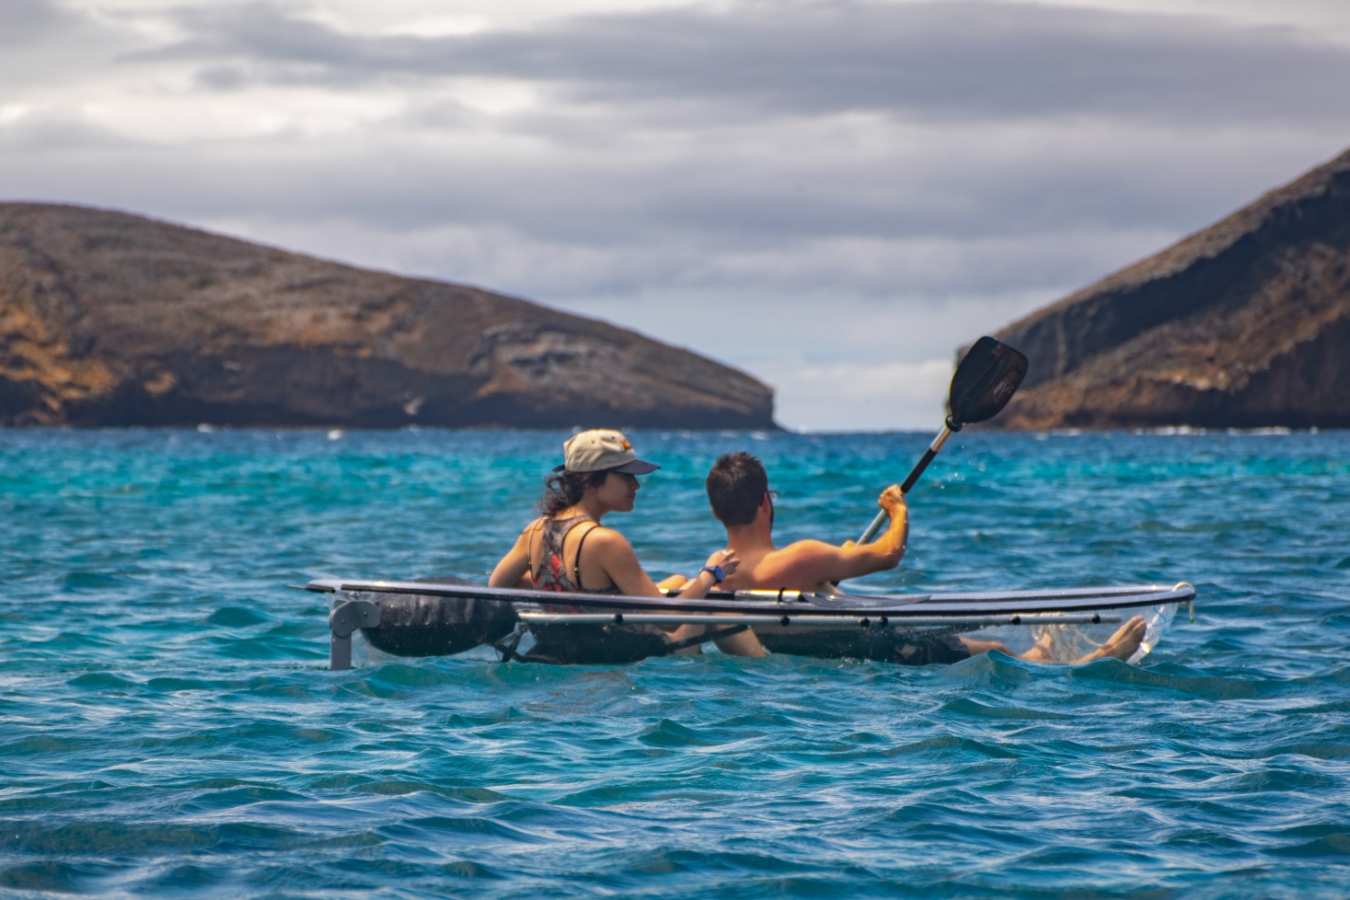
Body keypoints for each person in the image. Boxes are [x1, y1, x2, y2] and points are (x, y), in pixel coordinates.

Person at [704, 451, 1146, 664]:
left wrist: (833, 570)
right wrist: (898, 511)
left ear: (717, 510)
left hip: (829, 653)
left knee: (981, 644)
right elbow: (889, 554)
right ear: (765, 502)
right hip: (882, 650)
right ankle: (1090, 661)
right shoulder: (800, 557)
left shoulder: (720, 574)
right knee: (995, 651)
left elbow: (810, 583)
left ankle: (1054, 656)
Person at [490, 430, 766, 658]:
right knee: (712, 601)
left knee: (679, 581)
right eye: (626, 476)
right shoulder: (605, 542)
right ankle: (766, 674)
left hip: (560, 649)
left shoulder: (535, 530)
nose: (636, 485)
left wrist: (554, 584)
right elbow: (669, 621)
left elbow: (497, 587)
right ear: (591, 480)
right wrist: (712, 574)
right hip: (620, 652)